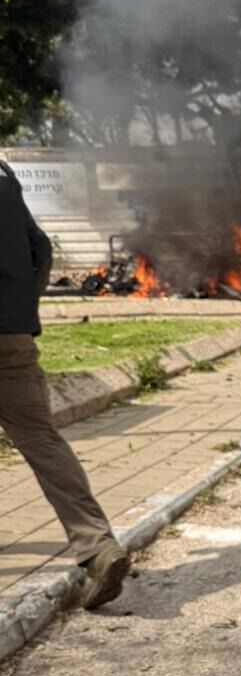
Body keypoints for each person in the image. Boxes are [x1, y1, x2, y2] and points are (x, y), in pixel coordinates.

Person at [0, 161, 130, 607]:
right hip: (11, 335)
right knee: (41, 439)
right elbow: (41, 249)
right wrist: (22, 312)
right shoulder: (4, 175)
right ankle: (97, 547)